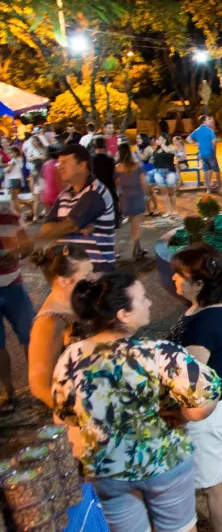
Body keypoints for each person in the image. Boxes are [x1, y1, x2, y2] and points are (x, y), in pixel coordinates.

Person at [53, 272, 221, 532]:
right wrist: (181, 415)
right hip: (163, 463)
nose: (150, 302)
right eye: (142, 299)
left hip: (105, 469)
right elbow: (203, 404)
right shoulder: (160, 354)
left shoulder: (71, 357)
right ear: (123, 314)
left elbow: (64, 418)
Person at [168, 244, 222, 532]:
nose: (173, 279)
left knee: (211, 484)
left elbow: (189, 380)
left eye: (179, 275)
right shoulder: (205, 307)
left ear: (200, 283)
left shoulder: (205, 324)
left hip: (208, 411)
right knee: (215, 475)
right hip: (217, 404)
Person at [27, 244, 92, 407]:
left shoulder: (78, 301)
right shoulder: (48, 323)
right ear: (63, 281)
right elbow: (40, 386)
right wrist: (77, 417)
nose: (93, 278)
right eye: (86, 275)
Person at [41, 144, 117, 273]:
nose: (60, 167)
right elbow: (46, 230)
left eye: (64, 162)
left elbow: (70, 226)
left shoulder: (95, 192)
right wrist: (74, 228)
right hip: (70, 273)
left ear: (82, 166)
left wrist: (66, 227)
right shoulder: (64, 195)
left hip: (96, 274)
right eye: (59, 163)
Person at [0, 202, 33, 414]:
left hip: (14, 287)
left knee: (31, 336)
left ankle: (38, 386)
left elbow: (28, 246)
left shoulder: (10, 217)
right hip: (13, 287)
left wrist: (17, 253)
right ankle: (9, 393)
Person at [115, 142, 150, 260]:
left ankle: (138, 249)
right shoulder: (137, 165)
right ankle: (134, 251)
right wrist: (147, 195)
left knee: (133, 224)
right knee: (136, 226)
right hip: (137, 196)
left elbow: (118, 184)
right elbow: (143, 183)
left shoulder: (117, 167)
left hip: (125, 197)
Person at [188, 115, 221, 193]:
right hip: (210, 153)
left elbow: (188, 138)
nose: (209, 121)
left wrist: (195, 144)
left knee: (206, 171)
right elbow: (213, 142)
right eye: (207, 120)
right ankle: (219, 188)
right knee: (216, 171)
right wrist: (216, 142)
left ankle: (208, 189)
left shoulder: (197, 130)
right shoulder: (210, 130)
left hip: (202, 154)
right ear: (204, 121)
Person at [150, 133, 179, 219]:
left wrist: (162, 145)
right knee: (164, 193)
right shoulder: (157, 150)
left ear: (165, 140)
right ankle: (168, 211)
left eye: (159, 139)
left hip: (169, 172)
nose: (157, 140)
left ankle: (174, 210)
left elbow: (168, 151)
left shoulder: (170, 147)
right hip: (159, 172)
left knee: (171, 192)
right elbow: (153, 160)